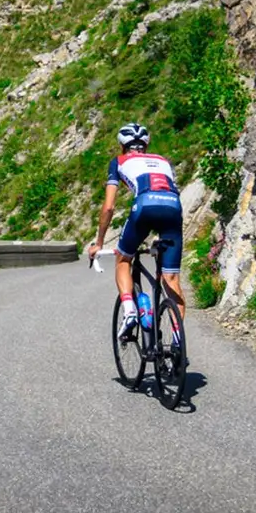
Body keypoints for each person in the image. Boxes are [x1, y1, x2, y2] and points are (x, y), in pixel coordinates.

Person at [84, 123, 185, 346]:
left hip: (144, 207)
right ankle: (178, 344)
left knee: (123, 259)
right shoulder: (163, 161)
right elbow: (171, 192)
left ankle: (129, 310)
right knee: (171, 279)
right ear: (147, 144)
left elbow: (109, 207)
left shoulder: (118, 161)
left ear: (122, 145)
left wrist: (99, 242)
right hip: (173, 209)